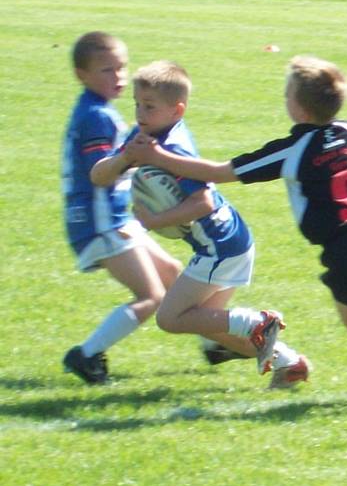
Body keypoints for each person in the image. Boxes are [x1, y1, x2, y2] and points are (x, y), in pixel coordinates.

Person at [128, 54, 347, 402]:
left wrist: (157, 157)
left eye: (287, 95)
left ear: (300, 111)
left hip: (345, 250)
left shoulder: (291, 151)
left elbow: (219, 172)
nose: (285, 99)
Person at [91, 60, 311, 388]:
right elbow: (98, 176)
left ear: (176, 110)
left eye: (149, 106)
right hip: (230, 241)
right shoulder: (146, 137)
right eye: (137, 104)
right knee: (210, 326)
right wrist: (125, 159)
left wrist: (153, 221)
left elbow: (202, 203)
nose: (140, 112)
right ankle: (289, 363)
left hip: (219, 246)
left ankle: (258, 322)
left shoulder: (173, 149)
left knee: (170, 317)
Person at [61, 31, 183, 384]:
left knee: (172, 272)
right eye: (105, 70)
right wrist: (132, 155)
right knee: (151, 296)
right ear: (81, 75)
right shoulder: (95, 117)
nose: (117, 77)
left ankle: (213, 346)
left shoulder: (99, 111)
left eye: (121, 68)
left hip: (115, 218)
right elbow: (99, 174)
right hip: (101, 223)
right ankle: (85, 355)